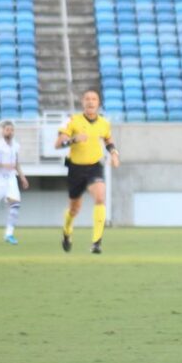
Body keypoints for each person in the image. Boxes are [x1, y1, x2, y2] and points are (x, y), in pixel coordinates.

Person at [55, 89, 120, 254]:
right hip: (75, 168)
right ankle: (67, 231)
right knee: (74, 209)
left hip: (94, 166)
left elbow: (108, 138)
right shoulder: (72, 121)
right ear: (83, 102)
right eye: (87, 99)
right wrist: (73, 140)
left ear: (98, 103)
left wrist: (114, 153)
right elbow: (57, 144)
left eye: (94, 99)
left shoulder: (104, 123)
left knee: (100, 197)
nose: (90, 102)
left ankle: (97, 242)